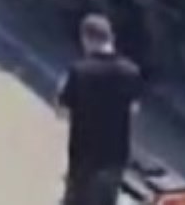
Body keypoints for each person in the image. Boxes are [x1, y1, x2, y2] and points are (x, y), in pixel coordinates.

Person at [55, 14, 144, 205]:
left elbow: (62, 113)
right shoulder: (131, 71)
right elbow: (134, 110)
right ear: (111, 37)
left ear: (86, 39)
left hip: (84, 155)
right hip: (115, 155)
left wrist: (61, 89)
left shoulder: (79, 71)